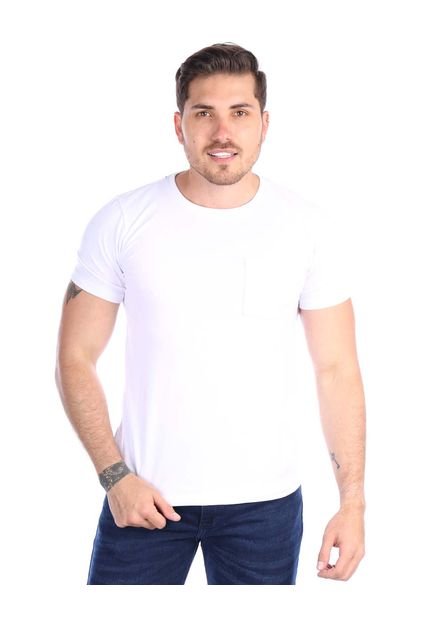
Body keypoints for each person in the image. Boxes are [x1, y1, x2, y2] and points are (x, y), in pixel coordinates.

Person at [55, 42, 366, 585]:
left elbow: (337, 369)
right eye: (204, 113)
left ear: (264, 123)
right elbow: (74, 358)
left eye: (240, 112)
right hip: (143, 499)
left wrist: (352, 503)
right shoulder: (123, 220)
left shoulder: (307, 228)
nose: (223, 131)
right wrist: (114, 477)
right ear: (179, 125)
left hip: (265, 506)